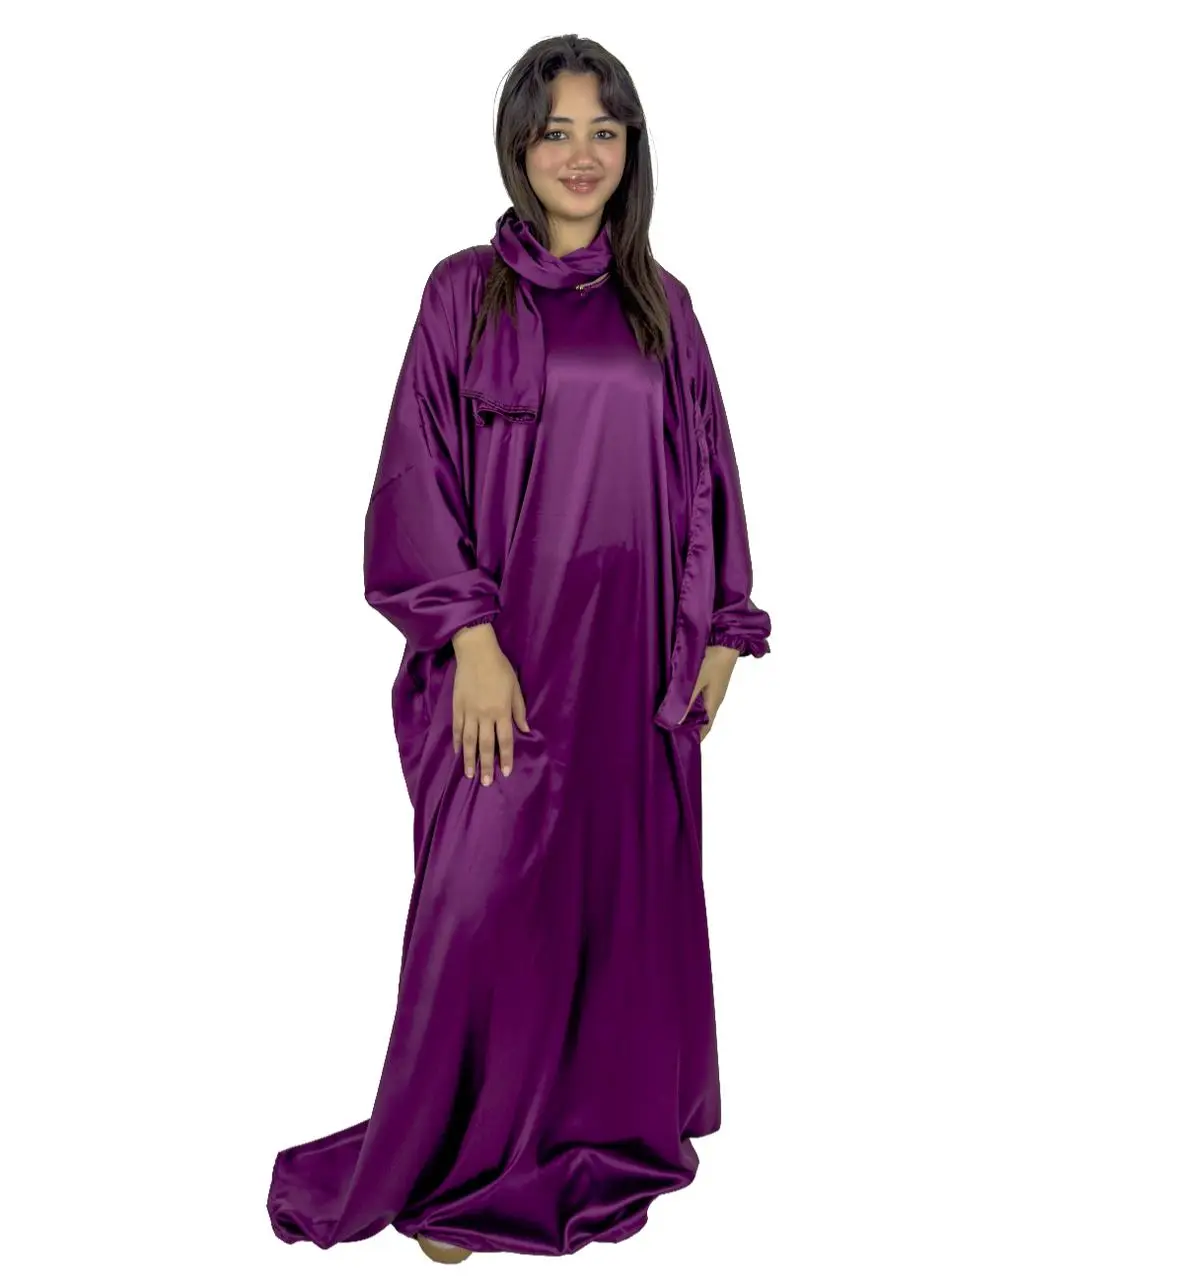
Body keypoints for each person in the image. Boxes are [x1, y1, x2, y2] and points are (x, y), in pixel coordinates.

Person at [266, 34, 772, 1263]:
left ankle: (582, 1130)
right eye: (556, 131)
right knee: (481, 905)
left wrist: (724, 625)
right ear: (517, 146)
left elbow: (708, 473)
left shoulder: (663, 304)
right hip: (505, 662)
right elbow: (414, 475)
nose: (581, 155)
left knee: (611, 903)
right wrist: (470, 638)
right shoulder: (461, 293)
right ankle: (457, 1157)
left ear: (632, 148)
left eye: (604, 131)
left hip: (632, 667)